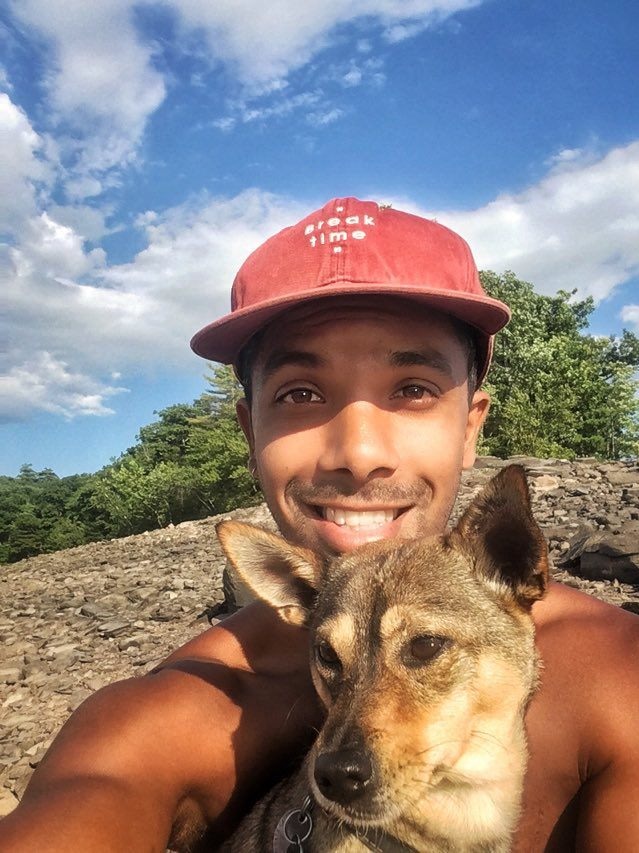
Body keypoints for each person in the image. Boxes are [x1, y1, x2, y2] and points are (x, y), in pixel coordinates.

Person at [1, 198, 638, 852]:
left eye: (411, 387)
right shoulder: (173, 714)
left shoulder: (620, 676)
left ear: (471, 423)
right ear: (252, 433)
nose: (358, 455)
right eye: (300, 394)